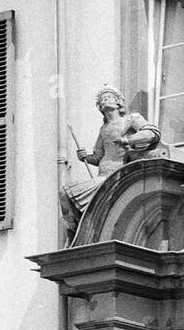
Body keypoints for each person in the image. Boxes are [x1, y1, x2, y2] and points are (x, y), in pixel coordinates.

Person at [61, 87, 161, 239]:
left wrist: (128, 140)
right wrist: (85, 157)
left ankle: (77, 235)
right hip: (101, 175)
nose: (105, 99)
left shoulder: (131, 119)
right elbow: (98, 156)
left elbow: (152, 133)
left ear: (118, 101)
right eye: (102, 99)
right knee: (64, 192)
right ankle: (73, 233)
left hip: (117, 175)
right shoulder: (104, 129)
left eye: (109, 96)